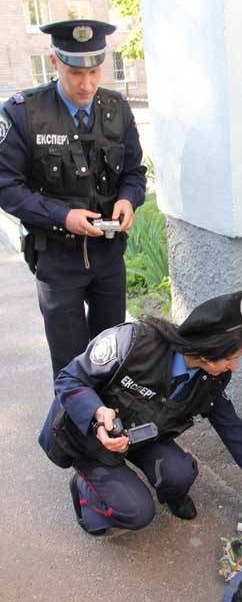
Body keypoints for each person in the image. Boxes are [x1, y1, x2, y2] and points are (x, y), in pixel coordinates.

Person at [39, 291, 242, 537]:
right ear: (207, 351)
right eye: (230, 359)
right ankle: (86, 492)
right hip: (90, 439)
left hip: (142, 436)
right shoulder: (133, 343)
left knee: (180, 473)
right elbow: (69, 379)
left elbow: (237, 434)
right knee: (137, 512)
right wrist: (97, 414)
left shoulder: (211, 379)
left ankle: (170, 493)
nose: (234, 367)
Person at [0, 19, 146, 379]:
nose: (87, 84)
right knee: (70, 366)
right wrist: (62, 216)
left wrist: (128, 199)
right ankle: (72, 418)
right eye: (75, 73)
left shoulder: (117, 109)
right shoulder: (23, 113)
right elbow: (6, 186)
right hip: (56, 258)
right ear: (55, 62)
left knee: (113, 356)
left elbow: (134, 172)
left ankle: (108, 416)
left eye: (94, 72)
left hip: (107, 255)